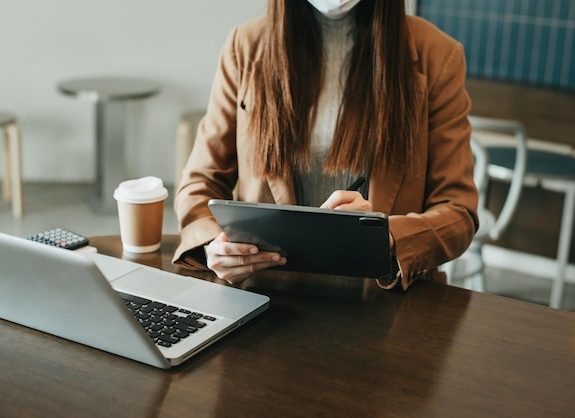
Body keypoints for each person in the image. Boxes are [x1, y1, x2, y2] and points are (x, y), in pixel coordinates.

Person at [173, 0, 479, 290]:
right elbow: (200, 182)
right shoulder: (245, 46)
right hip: (268, 294)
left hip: (382, 301)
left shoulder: (437, 55)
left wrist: (385, 237)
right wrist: (215, 245)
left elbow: (458, 211)